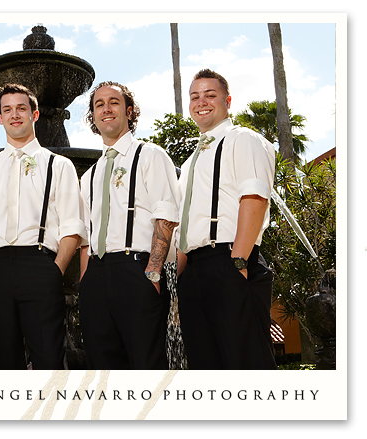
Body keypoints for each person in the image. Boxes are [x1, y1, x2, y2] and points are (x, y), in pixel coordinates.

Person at [0, 83, 86, 370]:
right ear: (0, 118)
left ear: (35, 114)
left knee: (50, 361)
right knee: (1, 365)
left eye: (21, 108)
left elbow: (71, 227)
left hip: (40, 266)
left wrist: (55, 271)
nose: (14, 115)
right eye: (7, 109)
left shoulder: (60, 166)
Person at [175, 69, 277, 369]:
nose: (201, 102)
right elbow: (186, 225)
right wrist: (179, 280)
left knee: (247, 362)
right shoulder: (190, 160)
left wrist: (238, 264)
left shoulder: (243, 139)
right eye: (195, 96)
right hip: (194, 271)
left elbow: (255, 200)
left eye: (210, 95)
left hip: (231, 260)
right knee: (206, 366)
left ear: (227, 101)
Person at [79, 81, 180, 370]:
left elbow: (166, 215)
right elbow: (87, 238)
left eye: (114, 102)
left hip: (137, 270)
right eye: (99, 104)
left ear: (129, 111)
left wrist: (152, 274)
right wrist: (87, 284)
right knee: (102, 368)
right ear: (93, 116)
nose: (106, 109)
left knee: (146, 365)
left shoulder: (151, 155)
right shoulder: (89, 176)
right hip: (97, 277)